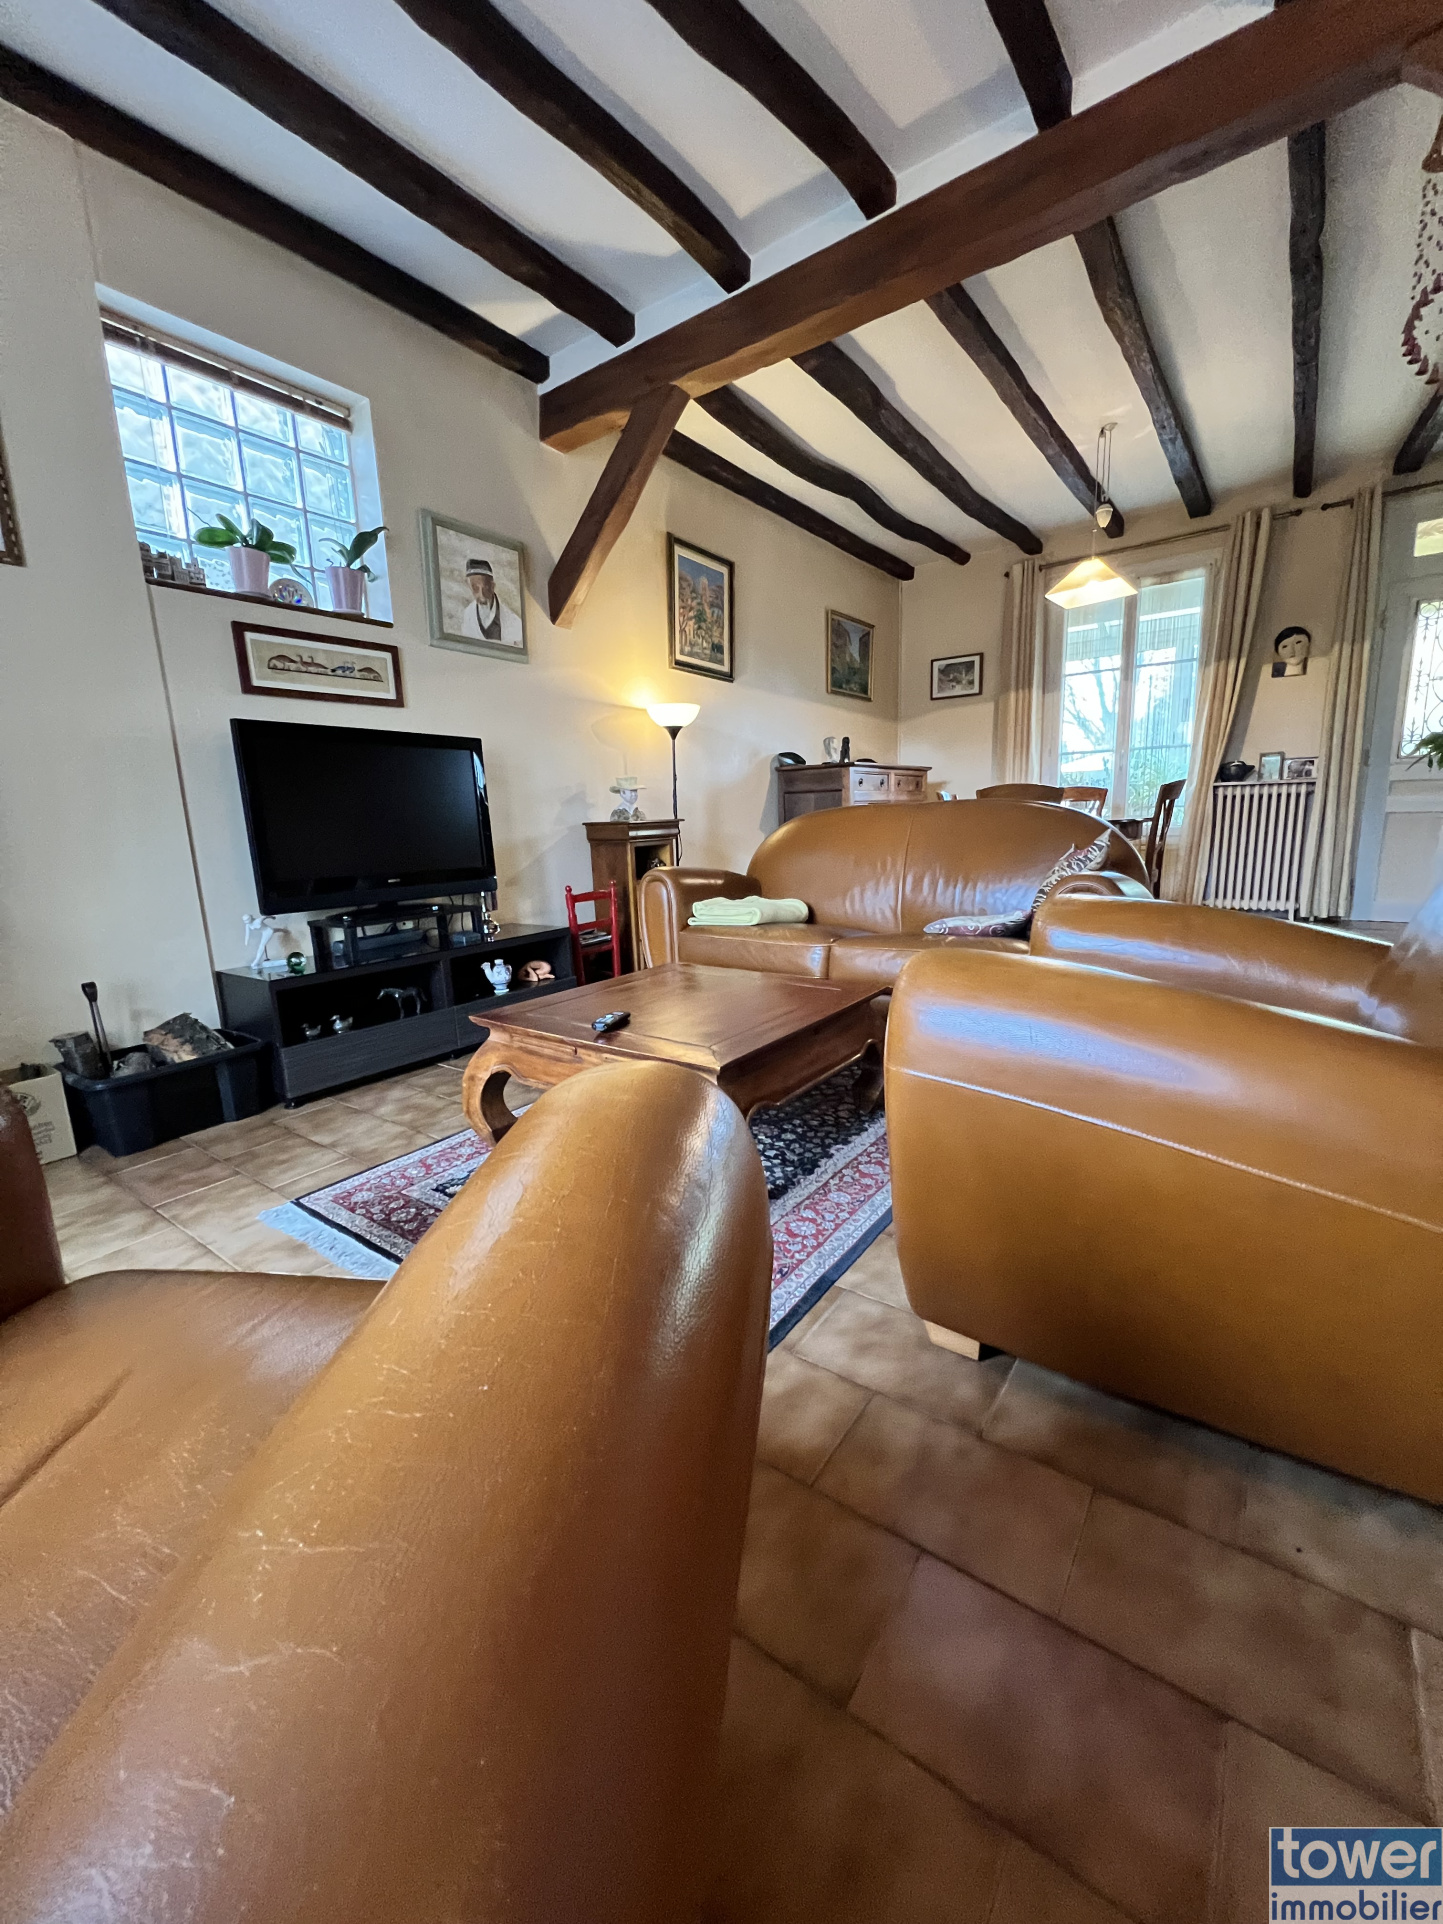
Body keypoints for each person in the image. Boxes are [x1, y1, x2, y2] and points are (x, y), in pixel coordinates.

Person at [459, 557, 523, 645]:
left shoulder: (514, 621)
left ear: (492, 586)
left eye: (485, 588)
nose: (481, 595)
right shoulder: (467, 615)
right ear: (469, 587)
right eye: (475, 588)